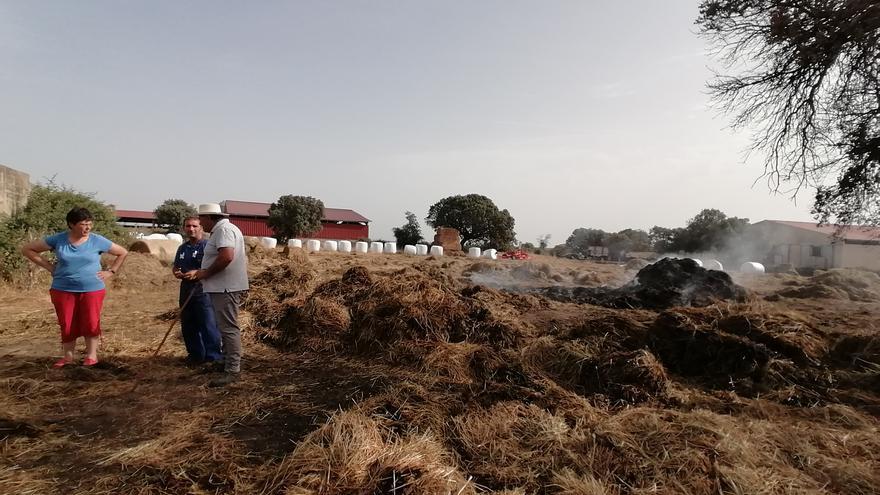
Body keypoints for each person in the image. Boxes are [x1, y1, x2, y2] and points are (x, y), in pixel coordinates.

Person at [20, 207, 128, 367]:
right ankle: (68, 357)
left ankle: (91, 356)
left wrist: (111, 271)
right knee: (67, 322)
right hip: (63, 288)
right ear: (71, 224)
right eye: (83, 224)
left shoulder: (97, 240)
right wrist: (50, 267)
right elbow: (28, 249)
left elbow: (122, 252)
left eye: (89, 224)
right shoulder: (58, 240)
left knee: (91, 321)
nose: (87, 228)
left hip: (92, 289)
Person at [187, 203, 248, 387]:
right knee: (224, 327)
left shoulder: (224, 230)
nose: (200, 222)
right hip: (221, 286)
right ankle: (226, 361)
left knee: (229, 328)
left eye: (201, 218)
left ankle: (232, 369)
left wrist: (205, 273)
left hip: (225, 287)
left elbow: (226, 256)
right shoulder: (223, 229)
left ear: (210, 217)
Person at [172, 216, 223, 365]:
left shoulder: (208, 247)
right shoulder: (182, 248)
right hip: (186, 289)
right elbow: (176, 266)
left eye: (194, 226)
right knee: (188, 324)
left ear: (201, 227)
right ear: (184, 228)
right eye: (188, 226)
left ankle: (213, 358)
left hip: (203, 289)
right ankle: (195, 356)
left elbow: (214, 267)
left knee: (208, 324)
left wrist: (198, 272)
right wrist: (176, 272)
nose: (191, 229)